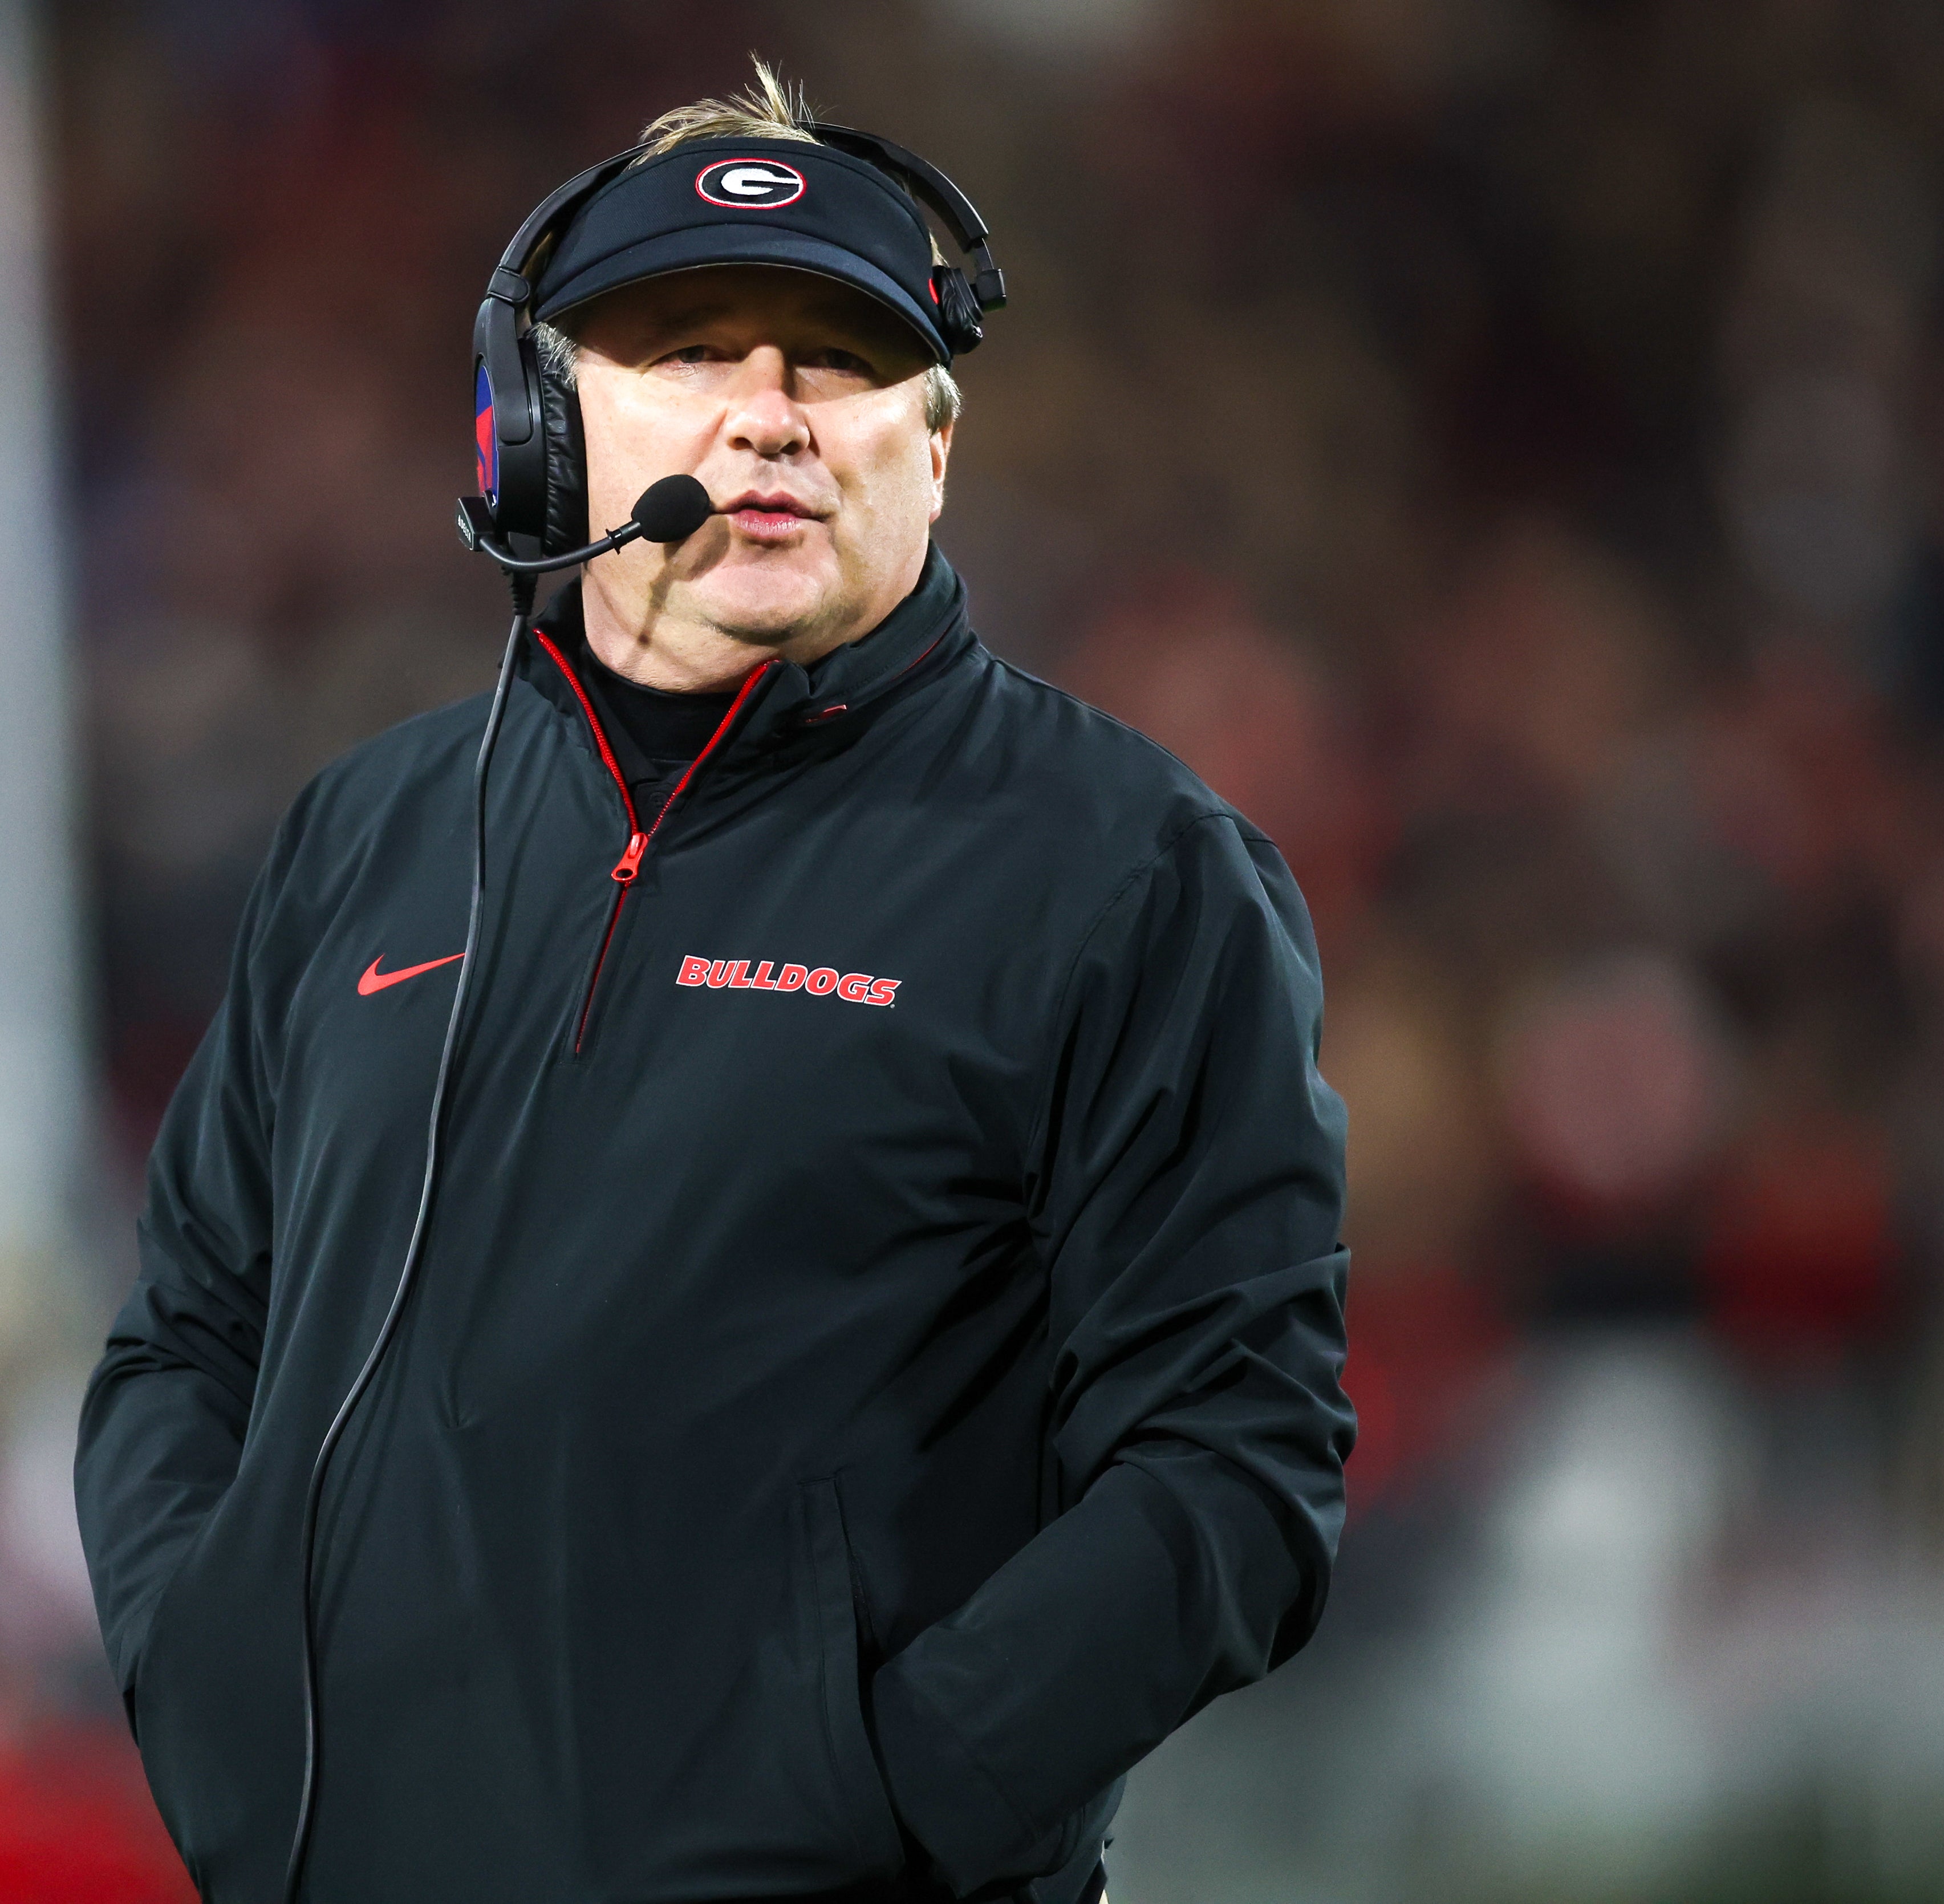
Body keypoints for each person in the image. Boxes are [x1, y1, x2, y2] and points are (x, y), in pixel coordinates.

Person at [77, 65, 1353, 1904]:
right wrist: (211, 1702)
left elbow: (1235, 1464)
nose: (766, 413)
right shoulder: (367, 834)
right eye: (686, 346)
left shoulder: (1127, 864)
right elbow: (186, 1341)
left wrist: (882, 1805)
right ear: (539, 425)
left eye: (836, 358)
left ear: (932, 446)